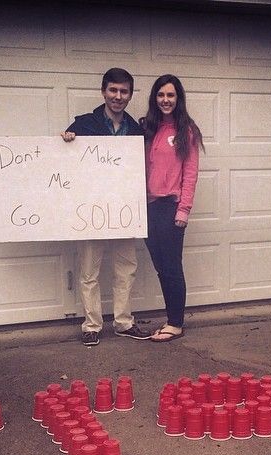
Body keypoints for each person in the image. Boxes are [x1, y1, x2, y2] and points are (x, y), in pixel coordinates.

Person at [62, 68, 151, 347]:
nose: (118, 96)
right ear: (103, 91)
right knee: (89, 270)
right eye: (113, 90)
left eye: (124, 91)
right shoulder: (84, 124)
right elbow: (63, 164)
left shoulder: (137, 130)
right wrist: (65, 141)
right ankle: (92, 325)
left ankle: (124, 322)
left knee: (126, 268)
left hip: (124, 210)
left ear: (130, 95)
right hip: (90, 211)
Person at [141, 74, 204, 342]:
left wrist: (184, 211)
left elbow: (190, 173)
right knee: (160, 266)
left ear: (178, 99)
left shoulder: (186, 131)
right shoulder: (146, 128)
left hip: (171, 207)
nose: (165, 100)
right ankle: (171, 319)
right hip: (146, 208)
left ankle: (175, 323)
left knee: (171, 266)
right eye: (160, 95)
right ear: (154, 98)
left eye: (171, 95)